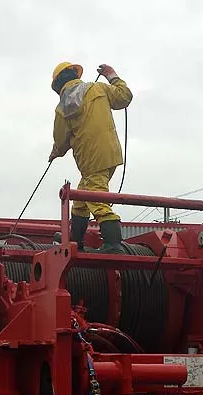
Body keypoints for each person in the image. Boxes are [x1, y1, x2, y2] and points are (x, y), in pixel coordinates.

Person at [49, 62, 133, 253]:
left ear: (58, 86)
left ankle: (113, 243)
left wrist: (56, 152)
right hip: (109, 152)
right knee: (81, 199)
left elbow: (61, 139)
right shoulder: (98, 88)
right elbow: (124, 97)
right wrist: (111, 75)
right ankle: (75, 240)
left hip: (90, 159)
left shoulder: (62, 108)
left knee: (96, 198)